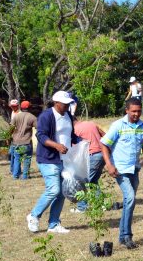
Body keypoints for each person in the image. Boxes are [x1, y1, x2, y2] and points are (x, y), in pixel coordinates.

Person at [101, 98, 143, 249]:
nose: (137, 114)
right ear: (127, 110)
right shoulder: (118, 125)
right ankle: (128, 236)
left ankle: (123, 236)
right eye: (134, 111)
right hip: (120, 170)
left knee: (128, 203)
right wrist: (109, 165)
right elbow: (104, 144)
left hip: (134, 169)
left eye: (139, 111)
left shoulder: (142, 126)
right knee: (130, 198)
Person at [26, 91, 79, 234]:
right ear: (56, 103)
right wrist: (57, 146)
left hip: (65, 159)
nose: (67, 106)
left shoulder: (67, 115)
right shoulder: (46, 116)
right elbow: (41, 135)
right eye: (65, 104)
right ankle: (33, 215)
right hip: (49, 159)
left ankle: (54, 224)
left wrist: (81, 141)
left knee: (62, 192)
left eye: (69, 104)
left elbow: (70, 135)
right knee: (54, 189)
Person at [71, 120, 107, 213]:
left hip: (92, 156)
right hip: (102, 154)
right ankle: (101, 205)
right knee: (93, 182)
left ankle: (82, 207)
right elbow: (105, 135)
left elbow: (74, 147)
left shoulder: (75, 129)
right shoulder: (91, 123)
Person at [9, 101, 37, 179]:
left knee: (17, 159)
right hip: (26, 142)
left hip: (16, 142)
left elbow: (11, 128)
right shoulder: (32, 117)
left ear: (21, 107)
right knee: (27, 159)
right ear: (30, 107)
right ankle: (25, 176)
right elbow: (39, 128)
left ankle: (15, 176)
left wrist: (9, 137)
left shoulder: (16, 116)